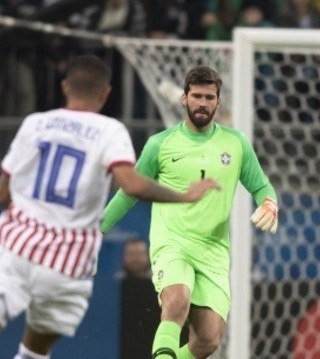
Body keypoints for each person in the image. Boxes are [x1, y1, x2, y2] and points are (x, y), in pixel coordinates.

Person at [0, 55, 219, 359]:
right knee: (36, 348)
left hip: (17, 244)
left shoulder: (35, 124)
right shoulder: (110, 131)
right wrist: (183, 196)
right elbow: (131, 184)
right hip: (68, 258)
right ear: (106, 93)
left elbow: (2, 193)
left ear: (65, 86)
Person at [102, 65, 279, 359]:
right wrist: (98, 229)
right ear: (184, 98)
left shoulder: (236, 144)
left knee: (208, 340)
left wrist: (269, 203)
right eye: (196, 96)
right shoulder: (159, 144)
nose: (203, 103)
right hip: (173, 244)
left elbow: (261, 186)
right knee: (177, 300)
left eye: (209, 97)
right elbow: (129, 192)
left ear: (218, 102)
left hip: (213, 251)